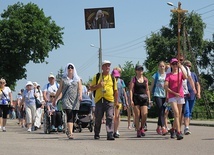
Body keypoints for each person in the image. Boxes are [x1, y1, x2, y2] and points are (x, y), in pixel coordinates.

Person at [90, 60, 118, 140]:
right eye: (105, 65)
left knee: (110, 116)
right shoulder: (97, 76)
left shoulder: (112, 78)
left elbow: (115, 91)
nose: (107, 67)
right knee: (98, 118)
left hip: (109, 100)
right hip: (99, 100)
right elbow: (91, 88)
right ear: (102, 67)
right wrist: (98, 86)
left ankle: (110, 134)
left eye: (108, 65)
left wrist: (116, 102)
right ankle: (97, 133)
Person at [53, 63, 82, 139]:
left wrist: (80, 95)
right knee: (69, 115)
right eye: (69, 68)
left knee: (73, 116)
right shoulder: (63, 79)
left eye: (71, 67)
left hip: (75, 100)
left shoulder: (77, 79)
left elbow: (80, 88)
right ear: (67, 69)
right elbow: (59, 90)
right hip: (66, 99)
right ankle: (71, 133)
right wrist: (55, 99)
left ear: (73, 69)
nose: (70, 69)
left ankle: (69, 130)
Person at [164, 58, 188, 140]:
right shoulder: (169, 75)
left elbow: (186, 77)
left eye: (176, 64)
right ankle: (178, 132)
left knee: (179, 115)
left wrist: (181, 67)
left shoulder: (180, 73)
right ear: (171, 65)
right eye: (173, 64)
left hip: (180, 95)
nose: (175, 66)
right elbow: (166, 87)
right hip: (172, 96)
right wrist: (174, 93)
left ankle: (173, 129)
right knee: (176, 113)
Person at [130, 65, 151, 137]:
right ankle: (138, 129)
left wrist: (149, 98)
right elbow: (131, 90)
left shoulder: (145, 79)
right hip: (136, 97)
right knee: (137, 115)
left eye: (141, 69)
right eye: (138, 69)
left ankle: (142, 127)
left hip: (144, 98)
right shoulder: (134, 79)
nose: (140, 71)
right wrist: (131, 100)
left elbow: (147, 89)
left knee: (145, 114)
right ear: (136, 71)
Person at [183, 60, 201, 135]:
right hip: (185, 95)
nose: (188, 67)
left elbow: (197, 84)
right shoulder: (183, 74)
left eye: (190, 66)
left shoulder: (193, 74)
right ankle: (186, 127)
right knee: (186, 111)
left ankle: (187, 126)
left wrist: (198, 93)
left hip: (193, 95)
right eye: (187, 65)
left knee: (189, 112)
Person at [150, 61, 168, 135]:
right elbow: (152, 85)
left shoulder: (167, 75)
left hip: (165, 95)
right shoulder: (156, 75)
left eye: (163, 66)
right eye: (160, 66)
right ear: (158, 67)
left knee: (163, 111)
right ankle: (163, 127)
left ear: (165, 67)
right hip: (157, 94)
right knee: (160, 109)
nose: (162, 67)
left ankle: (158, 127)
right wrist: (150, 95)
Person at [112, 68, 128, 138]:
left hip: (119, 101)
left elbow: (124, 92)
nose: (116, 78)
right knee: (113, 116)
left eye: (117, 76)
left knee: (117, 116)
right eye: (115, 76)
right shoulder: (110, 81)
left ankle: (116, 130)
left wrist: (126, 102)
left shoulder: (121, 81)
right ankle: (112, 130)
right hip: (111, 101)